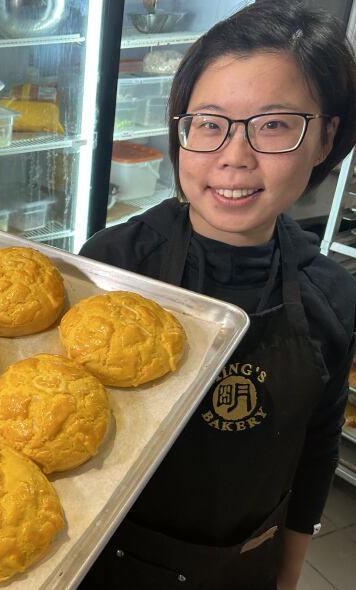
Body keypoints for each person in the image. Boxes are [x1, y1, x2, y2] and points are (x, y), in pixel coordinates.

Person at [79, 2, 356, 589]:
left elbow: (316, 446)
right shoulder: (112, 265)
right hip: (106, 557)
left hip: (241, 566)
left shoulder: (332, 294)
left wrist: (287, 570)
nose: (234, 156)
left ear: (326, 136)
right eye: (209, 123)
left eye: (274, 125)